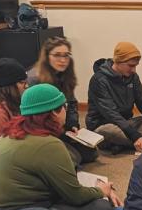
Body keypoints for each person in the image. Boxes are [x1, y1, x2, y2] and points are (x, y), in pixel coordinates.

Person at [0, 84, 120, 210]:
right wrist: (101, 191)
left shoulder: (9, 134)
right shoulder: (49, 144)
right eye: (64, 106)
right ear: (54, 112)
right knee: (102, 209)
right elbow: (75, 196)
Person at [28, 36, 98, 166]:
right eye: (57, 55)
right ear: (47, 56)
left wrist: (73, 125)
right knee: (72, 159)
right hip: (42, 132)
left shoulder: (65, 75)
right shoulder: (35, 79)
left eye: (66, 55)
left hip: (60, 126)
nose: (62, 60)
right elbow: (34, 116)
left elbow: (71, 103)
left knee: (91, 153)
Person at [86, 41, 142, 153]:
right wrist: (134, 135)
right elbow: (111, 114)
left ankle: (124, 143)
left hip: (126, 122)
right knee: (109, 131)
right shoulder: (98, 80)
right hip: (104, 125)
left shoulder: (133, 77)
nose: (134, 70)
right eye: (131, 66)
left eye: (135, 66)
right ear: (118, 61)